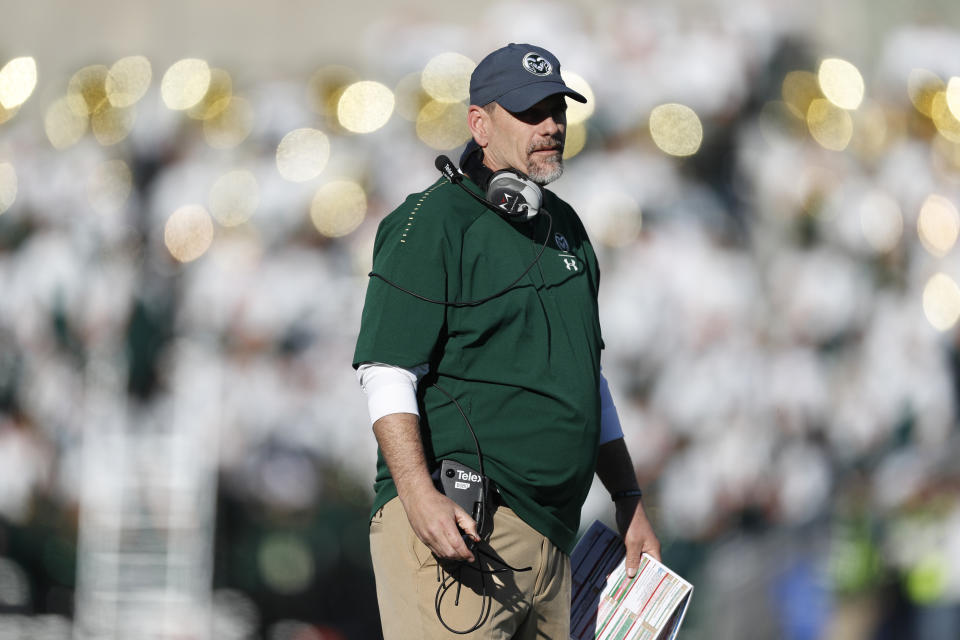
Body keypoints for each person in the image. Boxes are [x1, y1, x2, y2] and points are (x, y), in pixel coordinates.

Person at [353, 43, 660, 639]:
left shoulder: (565, 226)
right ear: (479, 124)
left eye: (558, 110)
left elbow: (583, 379)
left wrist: (627, 496)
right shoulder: (433, 222)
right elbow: (386, 370)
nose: (551, 125)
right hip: (464, 529)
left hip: (554, 542)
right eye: (530, 111)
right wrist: (417, 496)